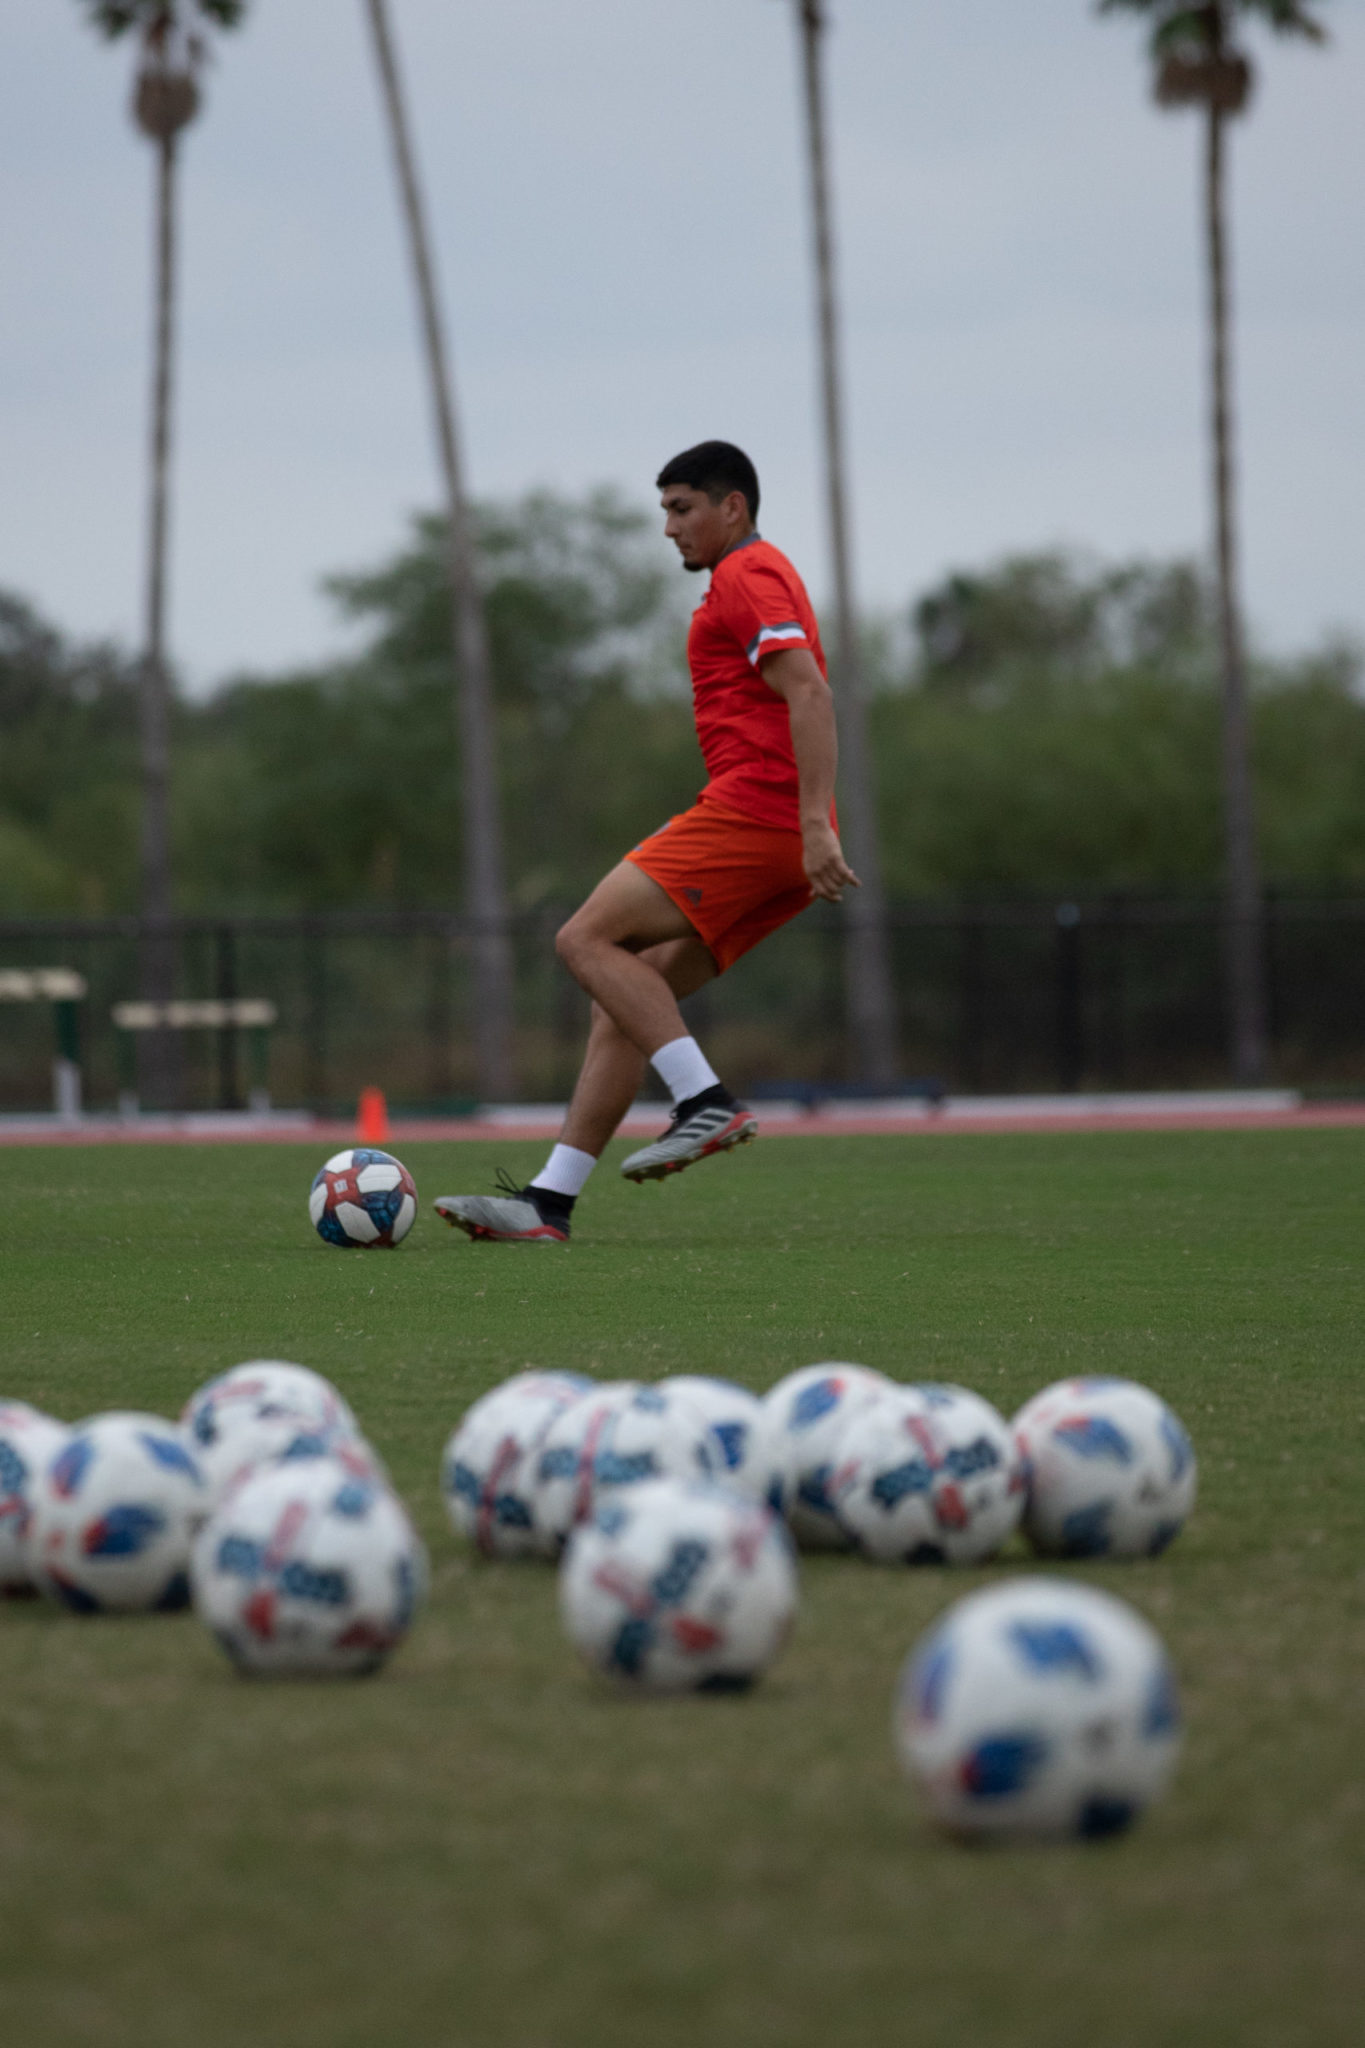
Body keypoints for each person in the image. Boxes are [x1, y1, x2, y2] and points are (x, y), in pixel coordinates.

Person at [434, 439, 858, 1244]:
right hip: (773, 827)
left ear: (732, 507)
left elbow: (808, 688)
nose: (668, 528)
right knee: (624, 1003)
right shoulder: (742, 579)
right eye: (664, 511)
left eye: (681, 508)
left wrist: (808, 823)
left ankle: (704, 1103)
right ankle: (547, 1204)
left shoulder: (747, 572)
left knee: (582, 937)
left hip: (756, 814)